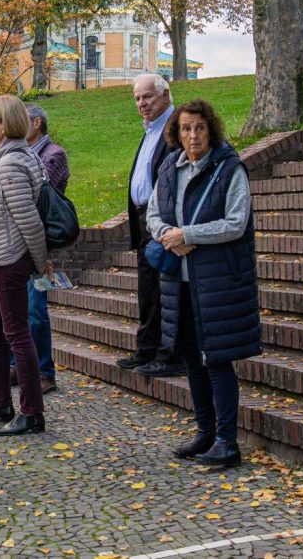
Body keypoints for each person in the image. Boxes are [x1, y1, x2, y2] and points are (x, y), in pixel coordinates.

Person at [147, 100, 259, 467]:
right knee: (193, 359)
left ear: (211, 129)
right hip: (178, 281)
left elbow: (236, 222)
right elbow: (153, 213)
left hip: (216, 282)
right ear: (176, 133)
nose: (192, 135)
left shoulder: (229, 169)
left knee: (217, 361)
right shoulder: (169, 167)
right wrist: (168, 235)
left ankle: (228, 441)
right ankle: (205, 432)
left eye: (199, 128)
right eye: (185, 129)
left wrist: (189, 233)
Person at [0, 95, 52, 438]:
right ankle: (2, 401)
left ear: (7, 124)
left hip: (13, 256)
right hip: (5, 256)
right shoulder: (7, 158)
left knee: (16, 332)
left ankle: (32, 412)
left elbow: (29, 220)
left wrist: (39, 262)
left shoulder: (11, 163)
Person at [117, 74, 186, 378]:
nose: (141, 103)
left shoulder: (176, 129)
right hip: (145, 220)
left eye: (147, 97)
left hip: (167, 222)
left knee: (167, 291)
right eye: (137, 98)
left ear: (166, 95)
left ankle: (170, 354)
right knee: (148, 290)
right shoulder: (150, 130)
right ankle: (147, 350)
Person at [16, 104, 69, 394]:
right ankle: (19, 367)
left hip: (40, 241)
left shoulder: (53, 154)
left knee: (36, 309)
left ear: (36, 123)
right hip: (18, 241)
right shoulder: (22, 155)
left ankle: (45, 370)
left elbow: (37, 191)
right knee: (17, 310)